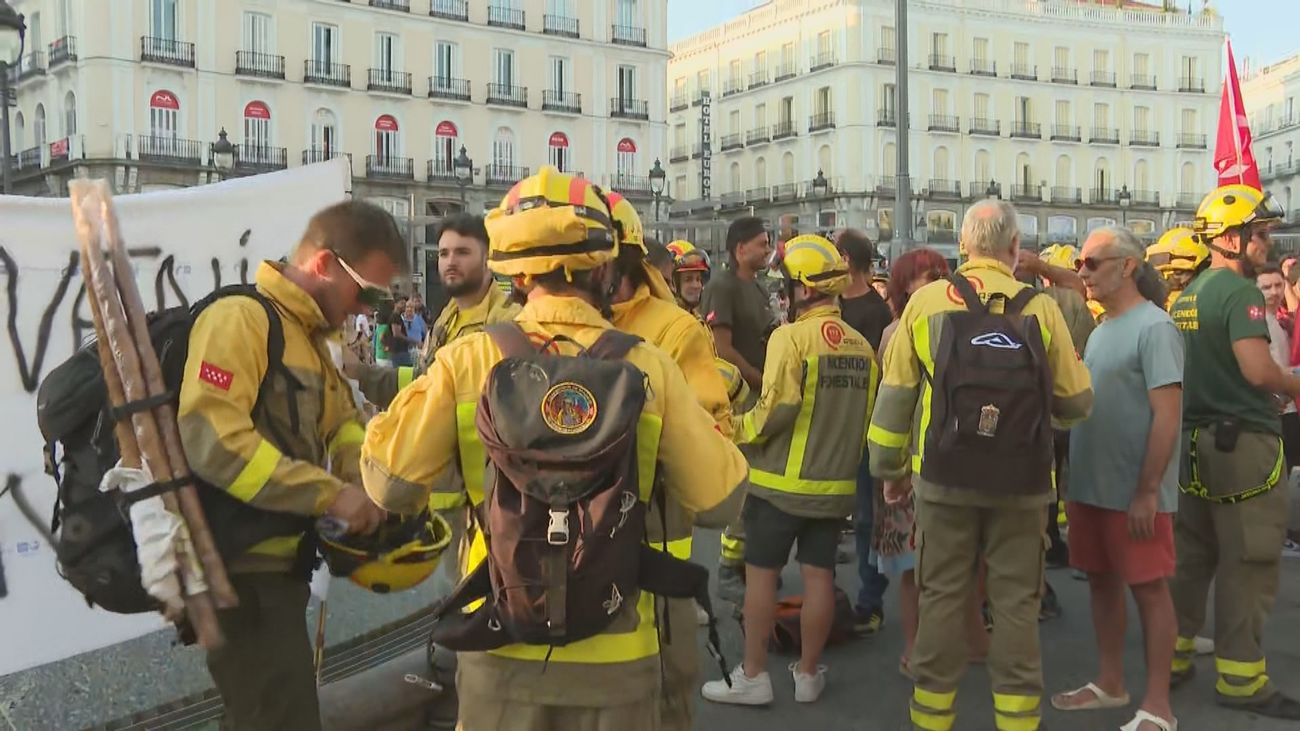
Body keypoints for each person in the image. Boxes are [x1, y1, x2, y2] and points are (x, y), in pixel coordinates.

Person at [359, 168, 748, 730]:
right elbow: (721, 501)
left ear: (512, 273)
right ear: (606, 267)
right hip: (621, 656)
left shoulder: (467, 360)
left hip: (500, 646)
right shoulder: (650, 366)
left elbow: (389, 483)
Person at [869, 199, 1094, 731]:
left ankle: (932, 717)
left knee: (943, 596)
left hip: (943, 481)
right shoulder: (1039, 308)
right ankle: (1016, 720)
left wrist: (891, 470)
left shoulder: (925, 304)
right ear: (1015, 249)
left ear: (964, 246)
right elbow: (1078, 401)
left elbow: (895, 398)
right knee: (1016, 602)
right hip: (1022, 484)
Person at [177, 200, 398, 730]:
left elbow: (342, 423)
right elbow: (212, 440)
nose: (367, 311)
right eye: (365, 293)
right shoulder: (240, 320)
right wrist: (329, 495)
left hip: (280, 574)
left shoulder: (309, 339)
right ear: (323, 264)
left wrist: (364, 478)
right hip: (239, 577)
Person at [701, 234, 877, 706]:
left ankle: (754, 675)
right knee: (820, 577)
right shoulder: (862, 347)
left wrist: (735, 429)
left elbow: (777, 409)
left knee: (761, 578)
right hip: (834, 487)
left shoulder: (790, 338)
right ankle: (808, 673)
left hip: (778, 486)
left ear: (801, 289)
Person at [1167, 184, 1300, 720]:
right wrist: (1292, 385)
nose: (1266, 240)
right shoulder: (1241, 295)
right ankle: (1242, 678)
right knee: (1248, 560)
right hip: (1241, 444)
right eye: (1259, 232)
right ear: (1230, 237)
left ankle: (1174, 655)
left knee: (1193, 558)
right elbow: (1255, 368)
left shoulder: (1189, 294)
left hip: (1192, 446)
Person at [606, 190, 732, 730]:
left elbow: (711, 447)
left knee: (664, 690)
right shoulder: (528, 325)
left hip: (655, 546)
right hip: (547, 563)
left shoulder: (674, 330)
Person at [1050, 227, 1183, 731]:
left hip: (1135, 493)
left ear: (1127, 266)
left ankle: (1159, 706)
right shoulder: (1102, 330)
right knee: (1101, 584)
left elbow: (1167, 415)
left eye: (1090, 263)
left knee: (1150, 590)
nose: (1080, 272)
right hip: (1091, 490)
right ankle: (1110, 683)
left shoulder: (1156, 328)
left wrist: (1148, 490)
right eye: (1080, 264)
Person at [870, 249, 989, 679]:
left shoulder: (899, 330)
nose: (936, 282)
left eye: (939, 274)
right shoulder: (974, 321)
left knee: (919, 565)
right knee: (936, 564)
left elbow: (890, 401)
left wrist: (889, 467)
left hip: (918, 461)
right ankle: (943, 643)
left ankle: (925, 649)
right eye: (926, 277)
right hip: (945, 460)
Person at [347, 214, 520, 409]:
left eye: (462, 252)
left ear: (488, 260)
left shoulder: (509, 324)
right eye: (444, 253)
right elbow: (425, 380)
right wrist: (361, 373)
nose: (451, 262)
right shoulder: (447, 318)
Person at [702, 216, 776, 601]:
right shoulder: (721, 287)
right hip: (741, 396)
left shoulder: (760, 289)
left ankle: (755, 563)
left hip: (762, 394)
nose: (767, 250)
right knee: (744, 482)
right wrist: (758, 379)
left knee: (763, 482)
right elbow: (722, 347)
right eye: (762, 244)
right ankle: (730, 567)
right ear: (740, 248)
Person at [832, 229, 893, 634]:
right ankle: (827, 600)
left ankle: (870, 601)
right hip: (830, 424)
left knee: (869, 516)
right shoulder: (828, 304)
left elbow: (878, 367)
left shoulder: (876, 310)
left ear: (847, 261)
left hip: (865, 424)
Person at [666, 239, 712, 318]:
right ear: (673, 283)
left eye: (698, 279)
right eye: (688, 279)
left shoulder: (697, 317)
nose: (696, 286)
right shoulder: (670, 319)